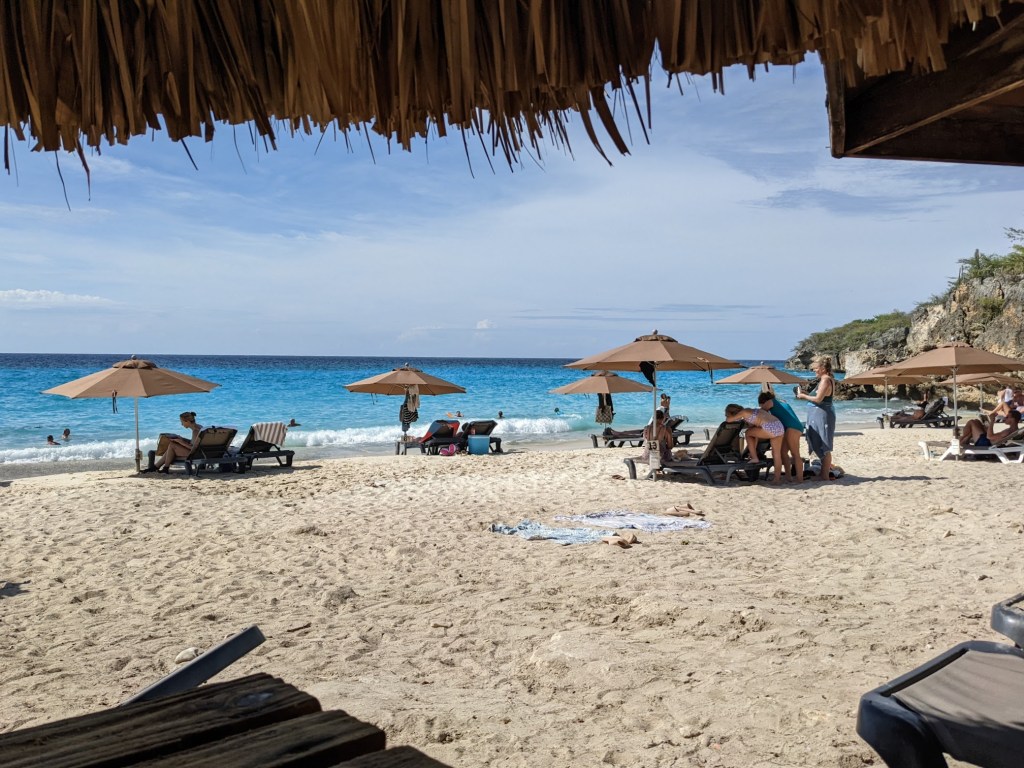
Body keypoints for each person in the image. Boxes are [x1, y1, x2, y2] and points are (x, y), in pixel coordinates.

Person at [795, 356, 837, 480]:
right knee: (819, 441)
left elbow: (818, 399)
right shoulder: (825, 379)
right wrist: (808, 395)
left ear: (823, 368)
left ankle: (825, 475)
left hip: (822, 415)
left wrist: (803, 396)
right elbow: (819, 397)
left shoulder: (825, 380)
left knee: (823, 444)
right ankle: (824, 474)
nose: (814, 371)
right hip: (820, 414)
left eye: (816, 368)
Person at [724, 403, 785, 484]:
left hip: (770, 428)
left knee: (747, 433)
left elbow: (728, 420)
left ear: (732, 413)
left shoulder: (744, 412)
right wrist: (753, 451)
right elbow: (755, 436)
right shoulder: (753, 412)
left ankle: (755, 458)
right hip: (779, 426)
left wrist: (728, 416)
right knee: (776, 454)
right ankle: (777, 479)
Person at [758, 391, 804, 483]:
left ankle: (800, 479)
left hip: (792, 427)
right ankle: (788, 477)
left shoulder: (770, 402)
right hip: (793, 427)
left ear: (763, 401)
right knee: (783, 453)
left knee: (795, 454)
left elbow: (760, 412)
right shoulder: (781, 402)